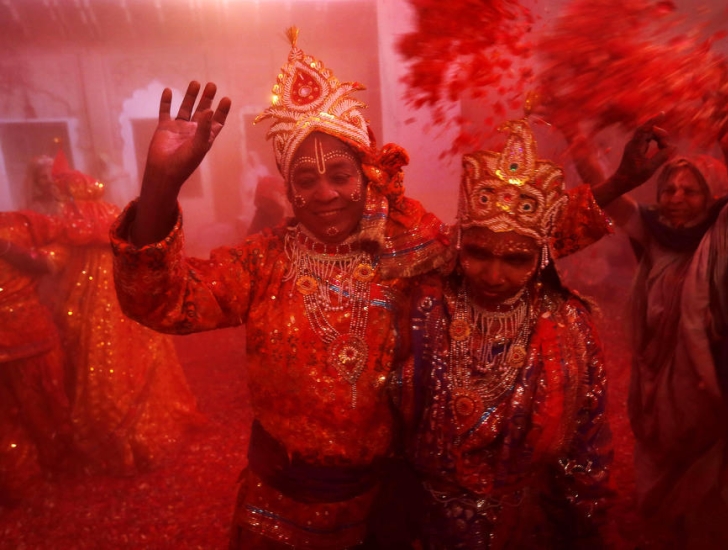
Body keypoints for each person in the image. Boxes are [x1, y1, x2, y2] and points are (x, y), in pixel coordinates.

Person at [110, 27, 449, 549]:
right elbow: (162, 302)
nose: (325, 193)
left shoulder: (409, 251)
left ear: (366, 174)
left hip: (386, 500)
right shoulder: (262, 260)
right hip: (280, 505)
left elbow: (505, 259)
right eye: (306, 181)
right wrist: (161, 184)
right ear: (288, 189)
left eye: (339, 174)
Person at [393, 117, 670, 549]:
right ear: (458, 244)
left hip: (524, 527)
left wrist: (587, 526)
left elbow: (586, 442)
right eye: (478, 253)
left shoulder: (566, 325)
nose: (494, 274)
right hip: (421, 523)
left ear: (541, 257)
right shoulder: (425, 306)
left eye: (516, 260)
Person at [593, 113, 728, 548]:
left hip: (715, 391)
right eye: (668, 188)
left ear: (712, 197)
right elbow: (611, 200)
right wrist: (577, 143)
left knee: (720, 501)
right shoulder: (655, 235)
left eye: (690, 190)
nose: (675, 197)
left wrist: (727, 137)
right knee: (663, 496)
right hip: (658, 391)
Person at [29, 155, 201, 476]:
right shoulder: (110, 212)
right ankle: (140, 428)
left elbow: (54, 259)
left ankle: (113, 435)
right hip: (122, 291)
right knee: (133, 353)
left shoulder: (68, 216)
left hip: (85, 299)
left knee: (96, 359)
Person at [0, 210, 72, 506]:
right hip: (23, 336)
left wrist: (14, 252)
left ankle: (57, 464)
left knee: (47, 403)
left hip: (32, 332)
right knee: (7, 418)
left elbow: (61, 247)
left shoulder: (21, 222)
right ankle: (21, 481)